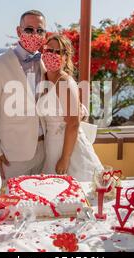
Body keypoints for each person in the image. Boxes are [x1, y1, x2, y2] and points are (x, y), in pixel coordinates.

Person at [0, 10, 47, 179]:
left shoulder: (44, 62)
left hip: (44, 152)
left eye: (40, 31)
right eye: (29, 30)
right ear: (19, 31)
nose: (35, 34)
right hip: (13, 157)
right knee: (12, 204)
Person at [37, 34, 104, 181]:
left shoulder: (64, 82)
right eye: (49, 50)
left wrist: (65, 158)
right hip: (51, 146)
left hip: (69, 150)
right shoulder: (44, 79)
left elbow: (73, 122)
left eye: (58, 52)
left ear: (65, 57)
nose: (52, 55)